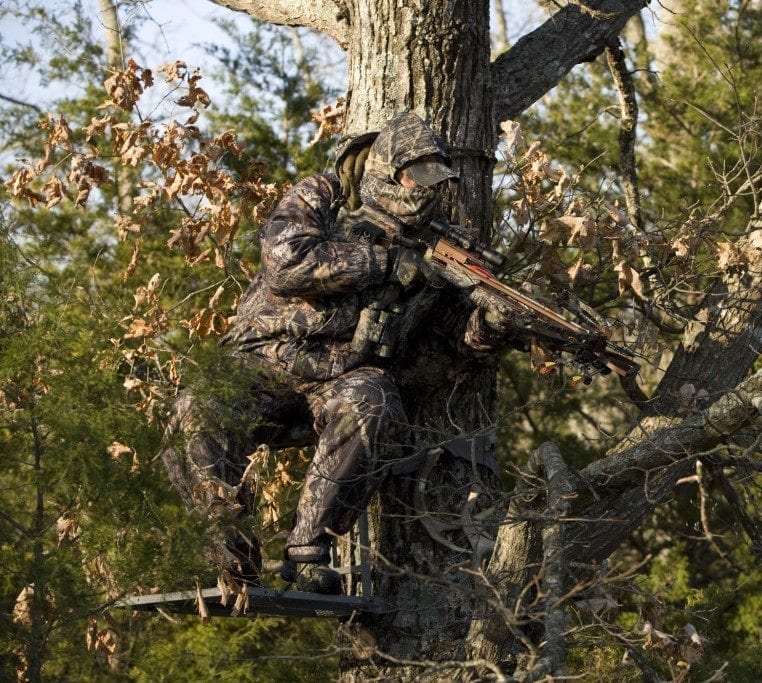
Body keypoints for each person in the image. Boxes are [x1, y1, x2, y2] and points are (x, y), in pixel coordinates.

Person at [160, 112, 507, 593]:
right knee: (198, 407)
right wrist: (385, 262)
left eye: (436, 179)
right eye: (417, 175)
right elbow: (287, 263)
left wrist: (491, 325)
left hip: (339, 379)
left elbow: (452, 341)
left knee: (373, 399)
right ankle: (232, 563)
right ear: (387, 169)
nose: (426, 190)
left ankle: (307, 555)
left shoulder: (438, 248)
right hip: (261, 361)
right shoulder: (324, 195)